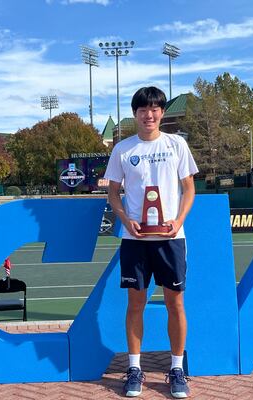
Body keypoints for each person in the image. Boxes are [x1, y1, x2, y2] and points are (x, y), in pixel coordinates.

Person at [104, 86, 198, 398]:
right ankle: (134, 368)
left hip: (171, 239)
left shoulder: (176, 144)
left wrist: (179, 221)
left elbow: (189, 188)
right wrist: (123, 218)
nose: (149, 114)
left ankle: (176, 369)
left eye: (155, 109)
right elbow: (113, 192)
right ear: (135, 114)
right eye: (143, 109)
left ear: (162, 113)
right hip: (135, 239)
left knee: (176, 303)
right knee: (135, 304)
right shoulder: (123, 150)